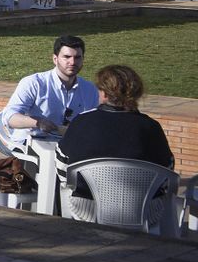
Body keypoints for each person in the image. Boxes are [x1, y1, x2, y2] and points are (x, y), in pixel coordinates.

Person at [55, 65, 172, 218]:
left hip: (88, 210)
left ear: (103, 94)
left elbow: (63, 168)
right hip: (143, 211)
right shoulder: (151, 127)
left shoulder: (81, 123)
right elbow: (167, 172)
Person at [0, 35, 100, 150]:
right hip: (29, 145)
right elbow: (10, 118)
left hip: (68, 146)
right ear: (55, 59)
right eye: (67, 57)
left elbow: (95, 122)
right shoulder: (34, 83)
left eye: (77, 57)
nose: (72, 62)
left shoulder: (90, 89)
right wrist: (38, 122)